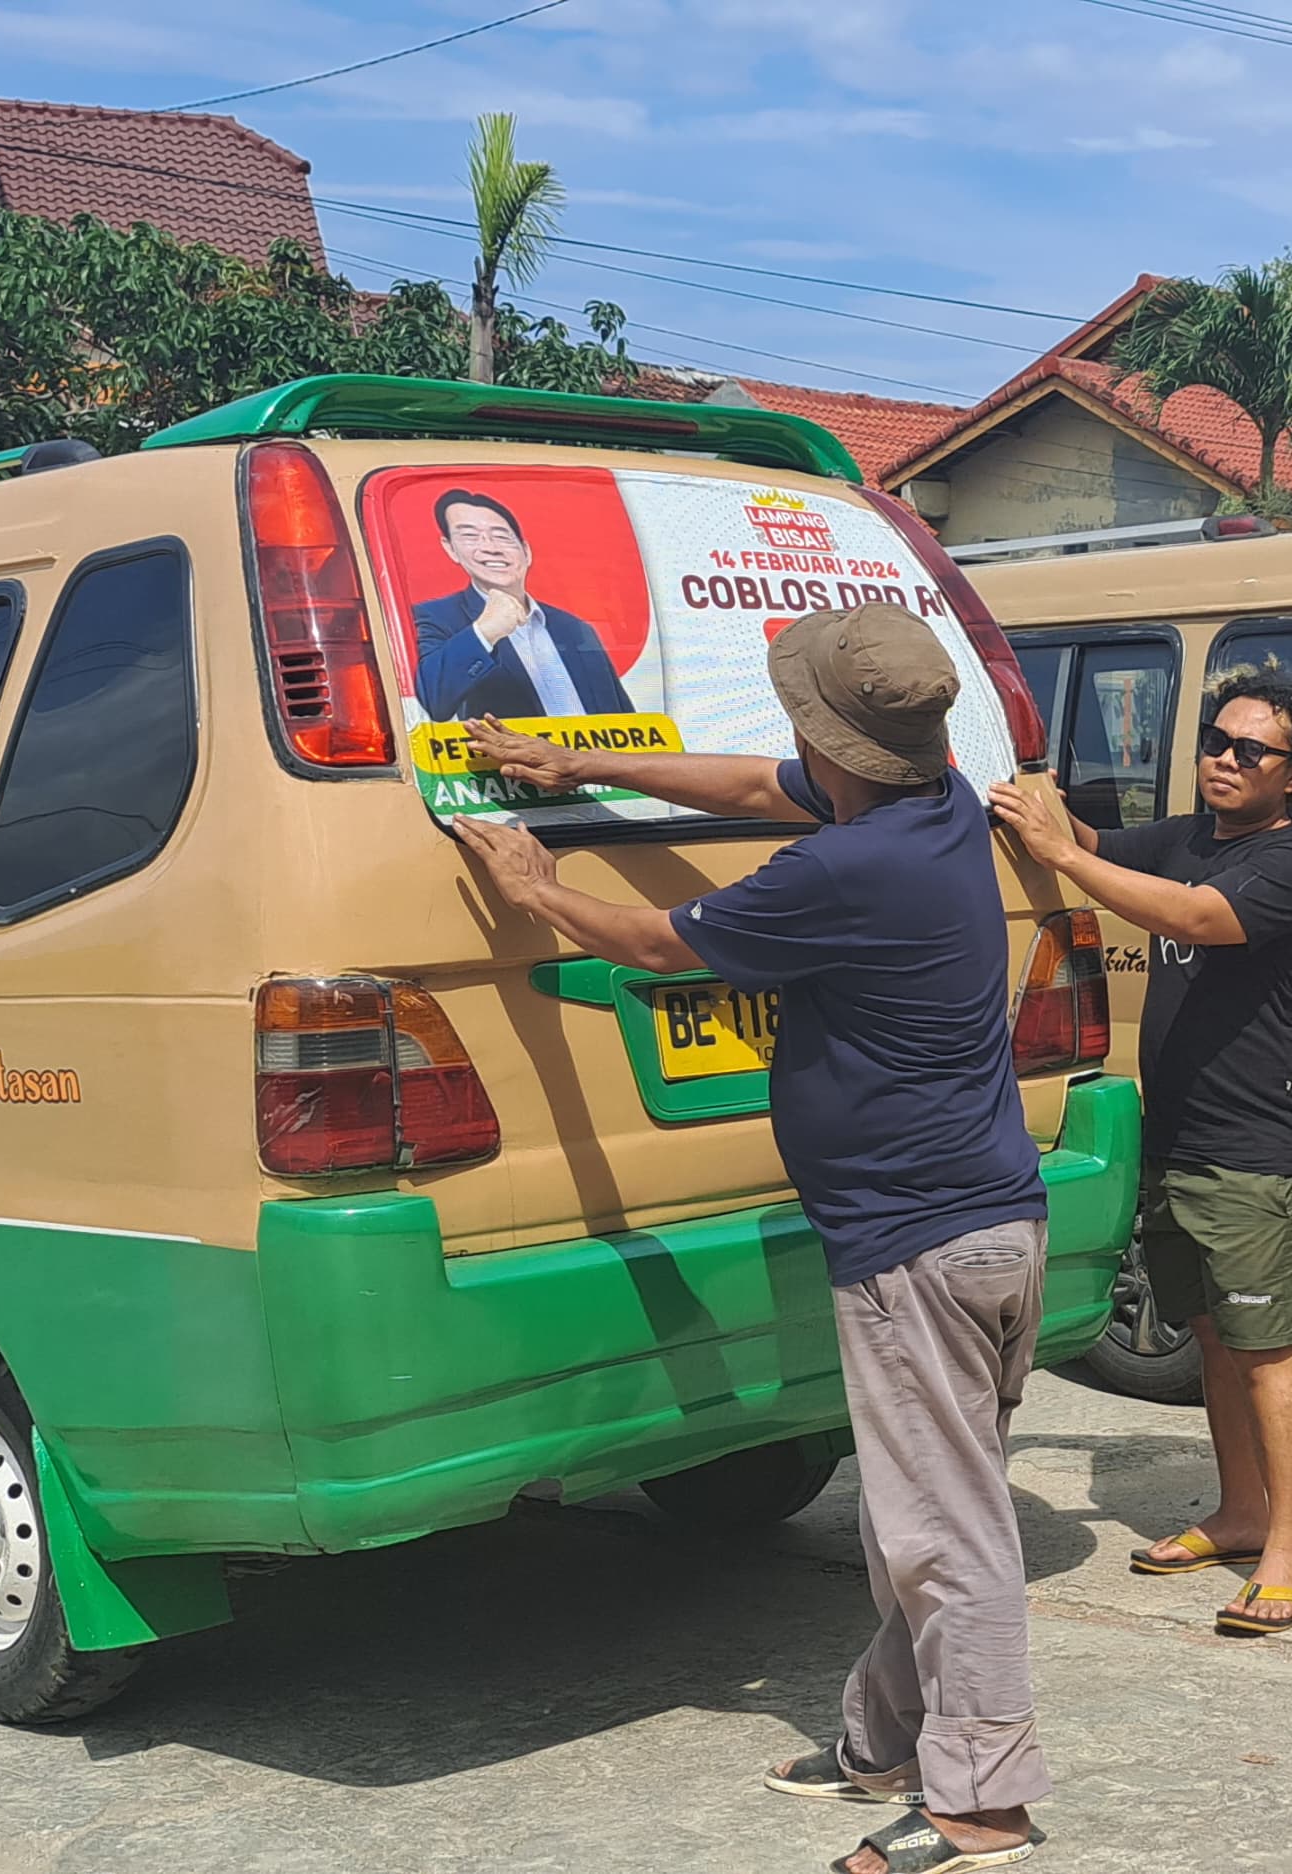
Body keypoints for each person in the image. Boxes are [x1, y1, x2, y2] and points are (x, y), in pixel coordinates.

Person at [446, 604, 1049, 1874]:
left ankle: (982, 1803)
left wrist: (536, 883)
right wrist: (582, 763)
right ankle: (880, 1741)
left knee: (946, 1535)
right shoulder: (925, 802)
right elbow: (742, 781)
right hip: (990, 1219)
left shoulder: (845, 867)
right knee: (918, 1517)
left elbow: (666, 944)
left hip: (916, 1246)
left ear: (823, 735)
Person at [988, 668, 1292, 1639]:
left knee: (1267, 1348)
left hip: (1257, 1141)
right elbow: (1098, 846)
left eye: (1250, 750)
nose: (1224, 759)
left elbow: (1186, 917)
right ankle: (1235, 1511)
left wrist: (1058, 848)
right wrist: (1024, 778)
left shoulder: (1291, 865)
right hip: (1177, 1130)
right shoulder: (1189, 836)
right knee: (1214, 1336)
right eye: (1214, 741)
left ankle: (1288, 1552)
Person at [411, 488, 638, 720]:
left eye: (501, 536)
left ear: (526, 552)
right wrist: (484, 632)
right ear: (450, 549)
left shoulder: (573, 628)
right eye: (469, 536)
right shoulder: (434, 618)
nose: (491, 547)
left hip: (591, 756)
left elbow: (625, 719)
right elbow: (434, 700)